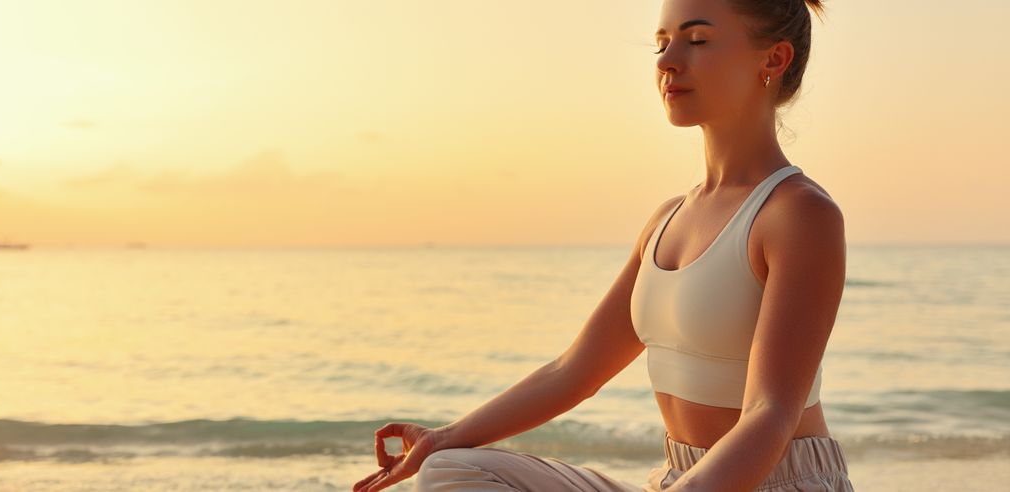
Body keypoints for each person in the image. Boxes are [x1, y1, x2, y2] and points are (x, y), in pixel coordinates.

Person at [352, 0, 854, 490]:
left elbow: (770, 414)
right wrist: (443, 437)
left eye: (697, 40)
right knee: (453, 469)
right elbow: (574, 371)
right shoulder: (668, 219)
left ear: (773, 58)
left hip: (772, 483)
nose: (667, 62)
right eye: (661, 43)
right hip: (678, 480)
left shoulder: (799, 214)